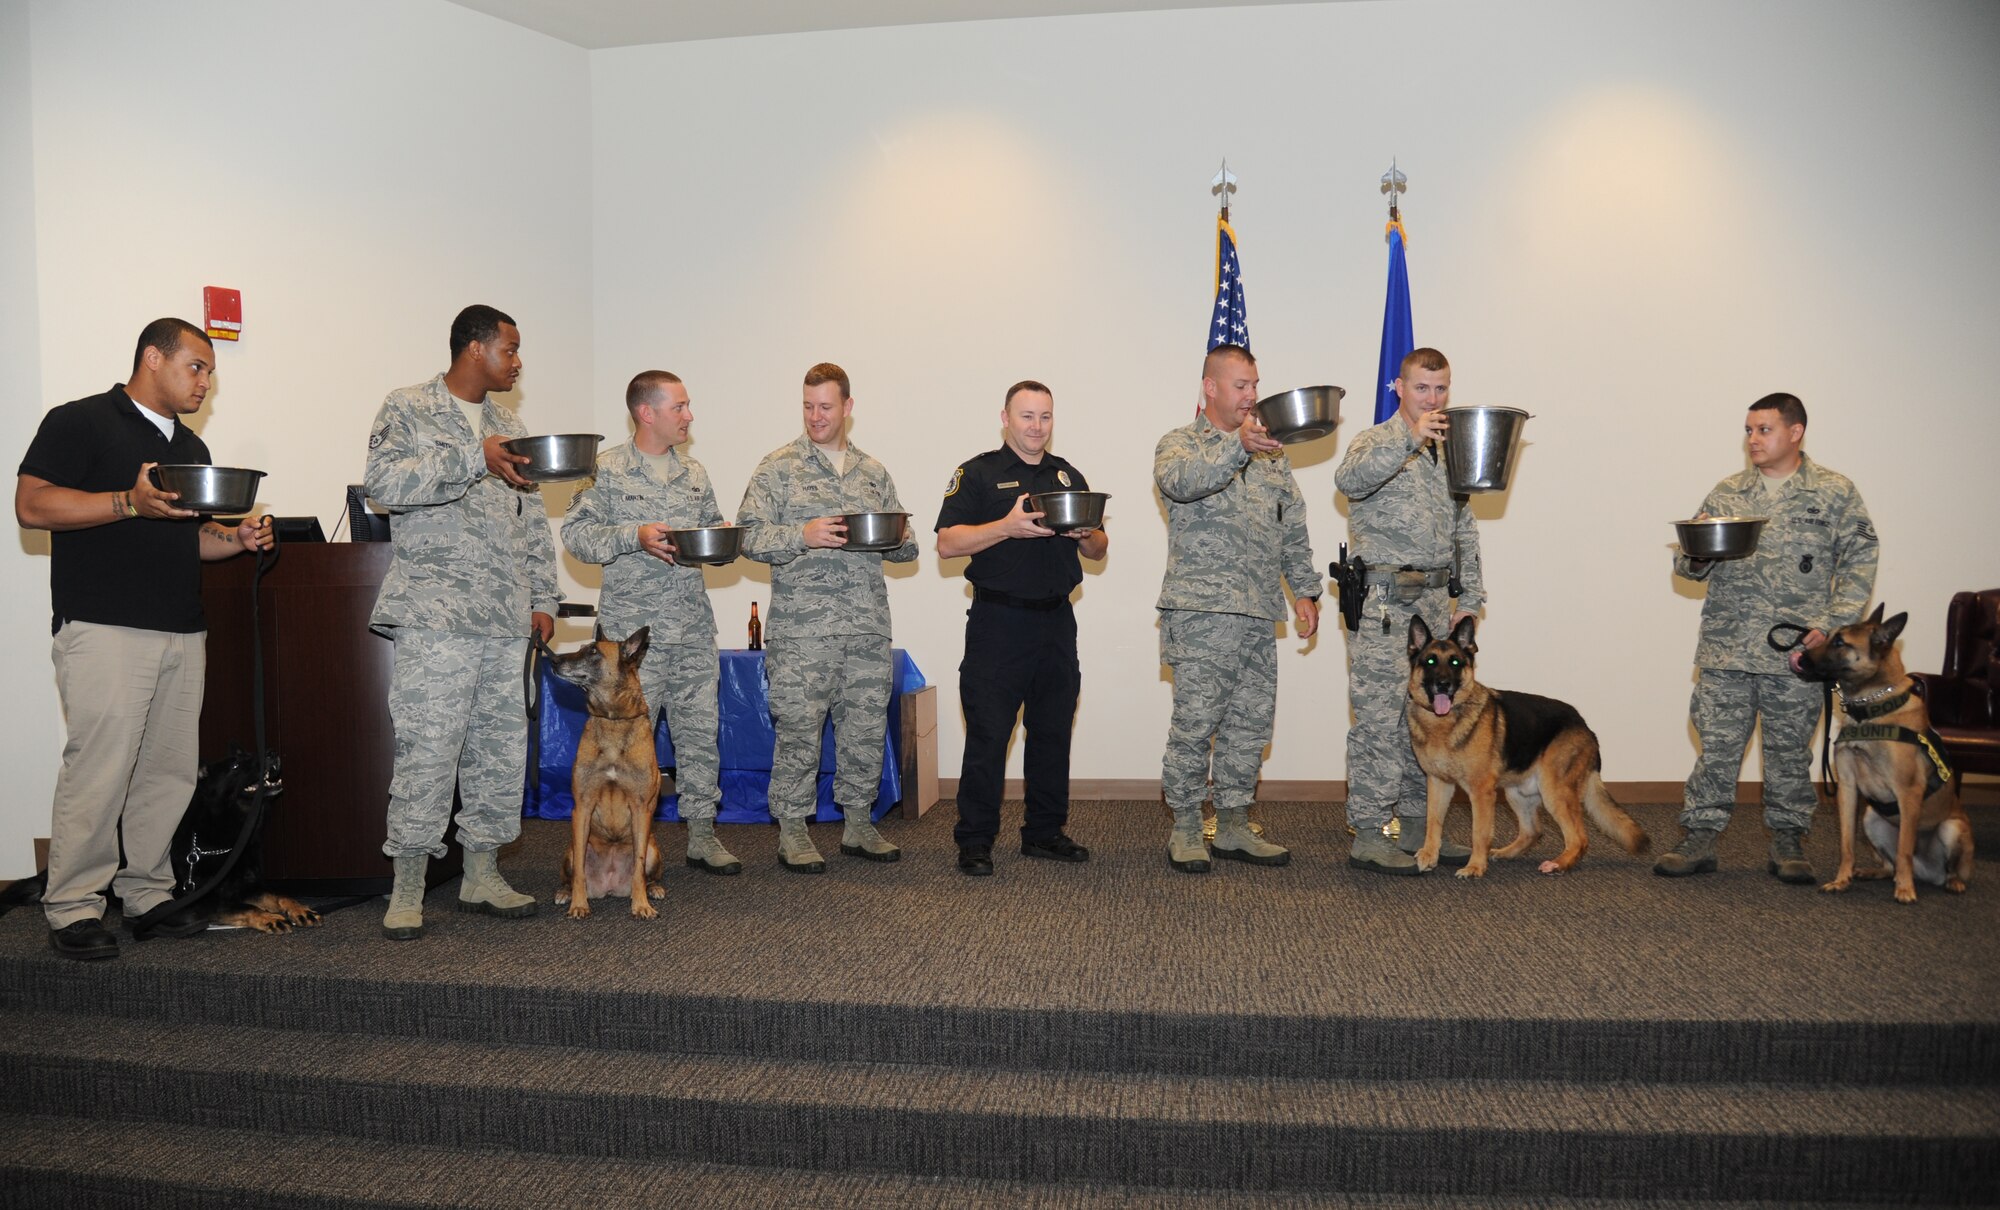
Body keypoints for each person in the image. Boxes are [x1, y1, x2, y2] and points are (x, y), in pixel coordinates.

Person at [17, 318, 274, 960]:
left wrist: (236, 540)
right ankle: (75, 905)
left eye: (210, 372)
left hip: (182, 630)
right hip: (104, 625)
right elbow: (32, 506)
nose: (205, 382)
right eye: (197, 367)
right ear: (153, 359)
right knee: (99, 771)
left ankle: (148, 894)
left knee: (169, 774)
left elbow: (190, 536)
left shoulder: (192, 449)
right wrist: (126, 503)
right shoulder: (80, 421)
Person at [365, 305, 560, 939]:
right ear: (475, 349)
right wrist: (473, 457)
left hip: (505, 619)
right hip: (436, 616)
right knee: (429, 750)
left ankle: (482, 875)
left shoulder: (511, 424)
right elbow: (383, 485)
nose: (518, 360)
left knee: (500, 752)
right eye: (510, 348)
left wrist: (545, 598)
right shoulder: (409, 407)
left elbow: (531, 518)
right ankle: (409, 885)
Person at [1658, 392, 1877, 882]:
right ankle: (1700, 836)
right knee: (1715, 747)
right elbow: (1688, 566)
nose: (1753, 439)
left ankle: (1788, 839)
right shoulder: (1728, 492)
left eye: (1764, 429)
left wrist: (1834, 625)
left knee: (1789, 751)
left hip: (1797, 651)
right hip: (1728, 646)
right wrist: (1695, 554)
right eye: (1749, 430)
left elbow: (1860, 560)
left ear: (1795, 432)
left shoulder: (1835, 492)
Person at [738, 363, 918, 872]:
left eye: (826, 407)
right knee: (798, 729)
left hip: (865, 626)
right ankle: (792, 830)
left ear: (847, 408)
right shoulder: (777, 468)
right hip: (802, 632)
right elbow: (747, 537)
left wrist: (902, 539)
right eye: (808, 406)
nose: (816, 416)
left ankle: (859, 823)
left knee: (863, 728)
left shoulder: (873, 473)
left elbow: (907, 549)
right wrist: (802, 534)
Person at [562, 370, 740, 875]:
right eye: (679, 406)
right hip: (632, 648)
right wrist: (631, 535)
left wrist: (721, 539)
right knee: (625, 748)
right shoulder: (607, 470)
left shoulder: (696, 473)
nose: (689, 415)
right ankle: (613, 845)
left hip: (691, 629)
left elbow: (707, 537)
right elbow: (576, 536)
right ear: (647, 413)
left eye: (687, 406)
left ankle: (702, 836)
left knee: (700, 733)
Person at [1154, 344, 1321, 873]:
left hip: (1257, 613)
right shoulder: (1180, 444)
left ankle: (1232, 824)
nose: (1252, 395)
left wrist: (1306, 590)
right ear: (1210, 387)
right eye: (1241, 385)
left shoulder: (1273, 456)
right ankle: (1185, 824)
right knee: (1195, 723)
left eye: (1255, 385)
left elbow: (1292, 527)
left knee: (1251, 725)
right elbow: (1180, 485)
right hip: (1201, 613)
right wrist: (1236, 447)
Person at [935, 381, 1108, 876]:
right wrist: (1006, 526)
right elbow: (947, 543)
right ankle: (975, 841)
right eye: (1027, 416)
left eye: (1046, 417)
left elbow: (1098, 549)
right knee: (989, 734)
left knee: (1052, 730)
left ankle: (1045, 833)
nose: (1037, 427)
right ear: (1005, 418)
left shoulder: (1068, 476)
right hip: (999, 623)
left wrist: (1087, 534)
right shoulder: (977, 473)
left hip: (1056, 622)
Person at [1334, 347, 1486, 875]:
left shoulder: (1452, 452)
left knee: (1428, 722)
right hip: (1383, 604)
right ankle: (1371, 833)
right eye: (1422, 388)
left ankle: (1426, 831)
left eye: (1441, 389)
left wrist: (1471, 597)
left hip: (1435, 605)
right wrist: (1409, 435)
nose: (1433, 399)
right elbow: (1349, 482)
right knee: (1378, 720)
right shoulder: (1375, 441)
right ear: (1399, 388)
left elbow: (1464, 527)